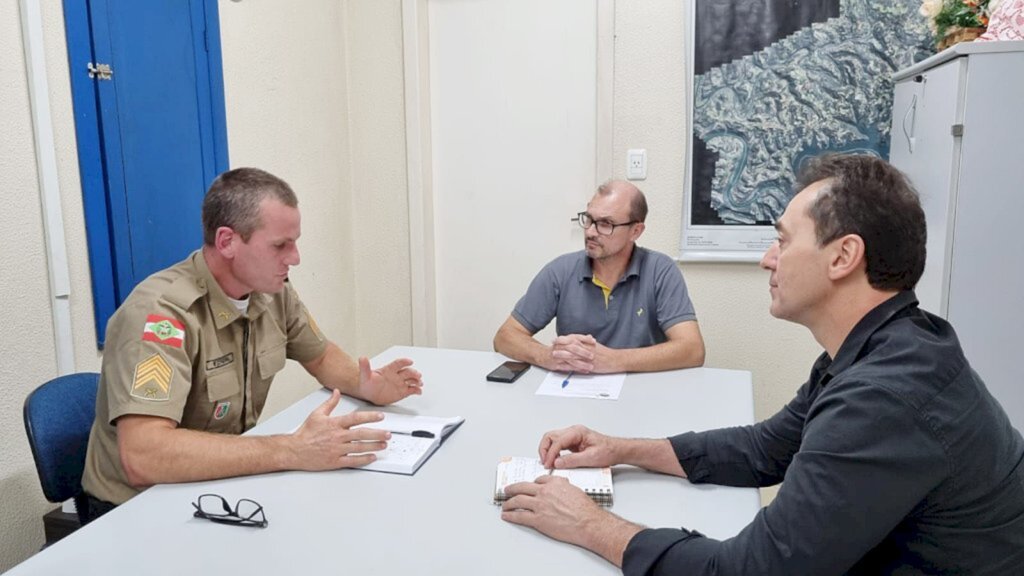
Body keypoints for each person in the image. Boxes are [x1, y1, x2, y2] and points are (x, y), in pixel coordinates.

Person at [500, 155, 1024, 574]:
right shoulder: (881, 347)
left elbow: (752, 569)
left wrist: (590, 525)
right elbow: (763, 449)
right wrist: (620, 450)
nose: (767, 259)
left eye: (781, 240)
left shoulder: (884, 397)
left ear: (842, 257)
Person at [81, 168, 424, 521]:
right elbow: (143, 455)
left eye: (295, 241)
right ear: (227, 241)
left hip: (214, 486)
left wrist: (365, 383)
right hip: (136, 511)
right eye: (280, 245)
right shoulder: (162, 317)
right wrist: (291, 450)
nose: (295, 258)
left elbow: (320, 355)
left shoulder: (271, 293)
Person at [493, 180, 705, 374]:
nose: (591, 232)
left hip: (642, 396)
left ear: (635, 231)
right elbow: (505, 337)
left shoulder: (660, 270)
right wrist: (547, 356)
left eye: (606, 224)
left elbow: (692, 350)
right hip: (575, 396)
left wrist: (616, 360)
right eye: (589, 219)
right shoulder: (561, 270)